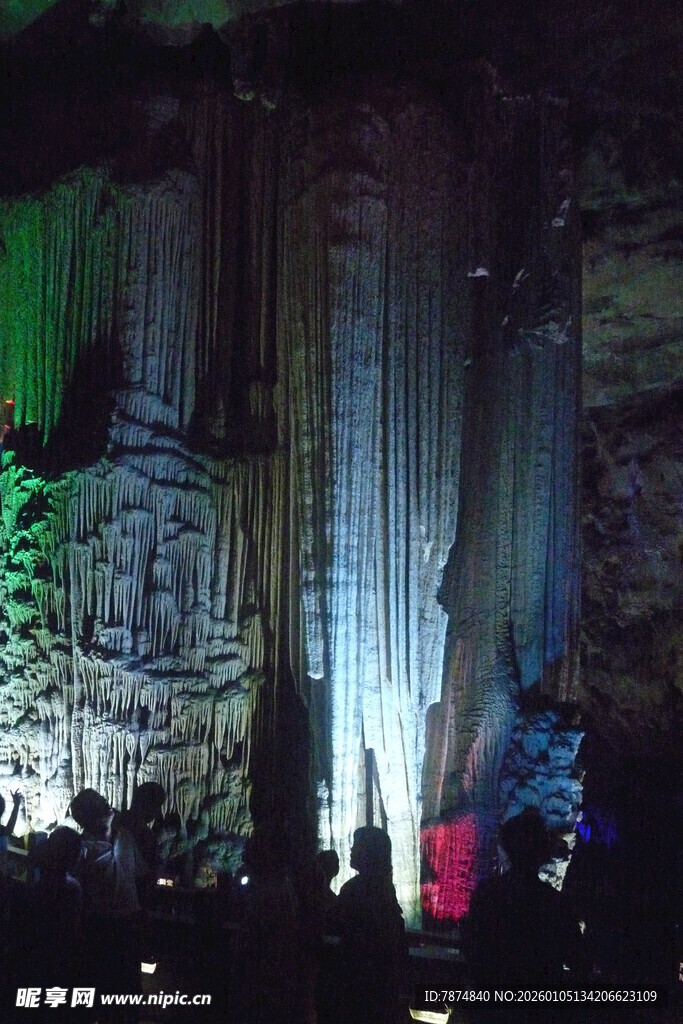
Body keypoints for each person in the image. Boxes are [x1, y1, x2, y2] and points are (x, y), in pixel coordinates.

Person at [462, 807, 580, 989]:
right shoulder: (555, 903)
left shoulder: (487, 893)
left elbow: (473, 948)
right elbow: (578, 959)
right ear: (543, 853)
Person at [69, 788, 143, 1019]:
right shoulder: (82, 849)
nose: (107, 802)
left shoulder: (125, 837)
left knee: (127, 995)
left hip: (128, 923)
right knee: (100, 993)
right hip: (100, 927)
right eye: (100, 802)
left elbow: (139, 874)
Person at [332, 826, 406, 1024]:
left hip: (358, 983)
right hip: (381, 986)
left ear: (368, 852)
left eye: (356, 846)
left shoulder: (354, 890)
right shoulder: (384, 889)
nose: (351, 850)